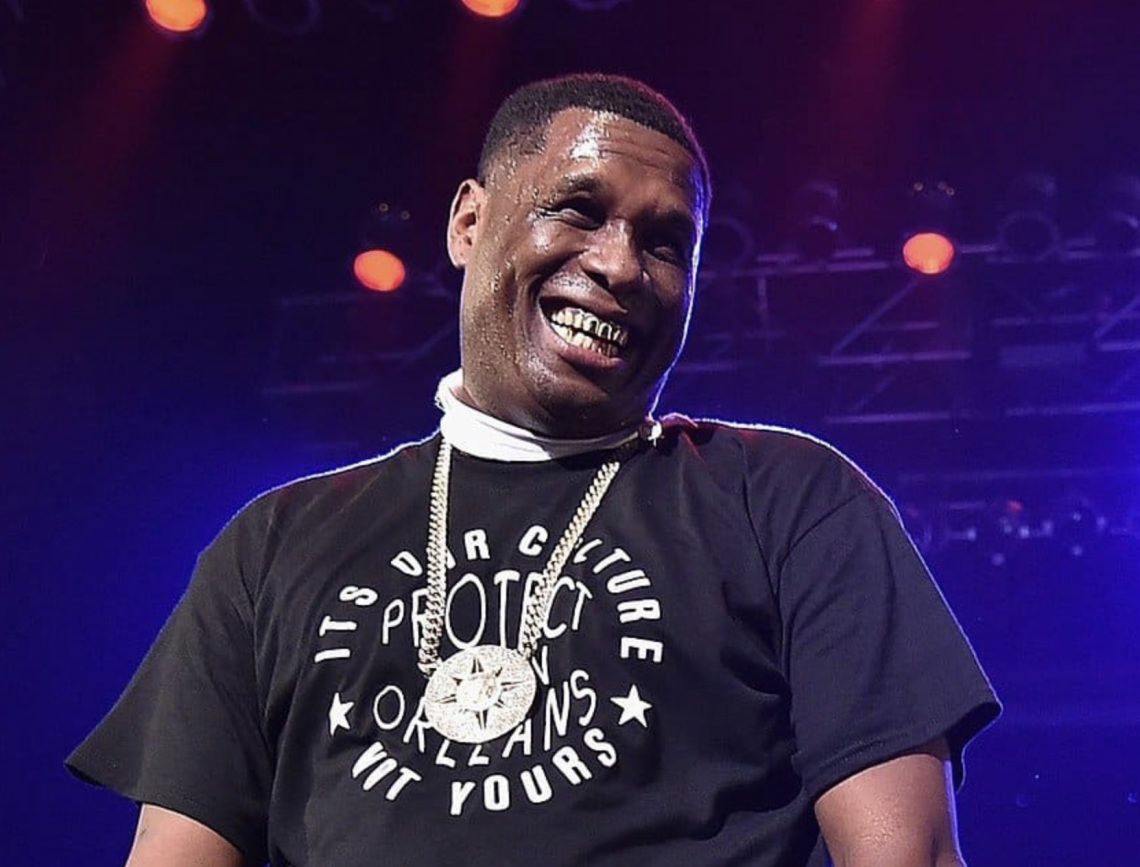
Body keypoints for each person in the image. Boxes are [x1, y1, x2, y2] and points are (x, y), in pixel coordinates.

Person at [69, 73, 999, 867]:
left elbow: (908, 855)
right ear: (469, 222)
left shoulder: (791, 501)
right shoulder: (272, 545)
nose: (621, 264)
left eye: (665, 243)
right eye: (578, 210)